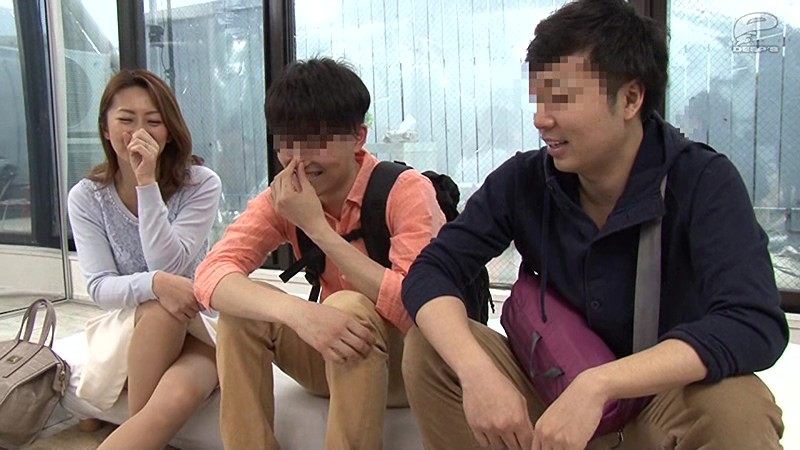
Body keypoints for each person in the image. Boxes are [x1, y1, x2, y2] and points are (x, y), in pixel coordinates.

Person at [400, 1, 788, 449]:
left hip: (660, 402)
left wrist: (600, 384)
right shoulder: (525, 180)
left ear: (630, 99)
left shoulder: (701, 181)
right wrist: (478, 373)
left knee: (738, 406)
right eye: (539, 99)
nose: (541, 119)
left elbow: (752, 321)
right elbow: (430, 272)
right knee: (432, 349)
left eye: (561, 99)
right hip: (552, 388)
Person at [193, 57, 445, 449]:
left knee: (347, 305)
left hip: (408, 366)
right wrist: (300, 313)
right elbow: (210, 275)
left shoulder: (406, 190)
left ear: (358, 137)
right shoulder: (284, 196)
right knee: (241, 314)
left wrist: (317, 229)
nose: (298, 158)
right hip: (332, 355)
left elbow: (419, 311)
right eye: (286, 141)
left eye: (315, 141)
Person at [67, 69, 221, 450]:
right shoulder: (87, 197)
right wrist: (154, 285)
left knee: (178, 395)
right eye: (126, 120)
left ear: (169, 130)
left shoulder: (201, 183)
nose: (140, 132)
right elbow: (100, 286)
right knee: (161, 308)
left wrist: (146, 182)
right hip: (130, 324)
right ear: (105, 129)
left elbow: (169, 264)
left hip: (199, 324)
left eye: (153, 121)